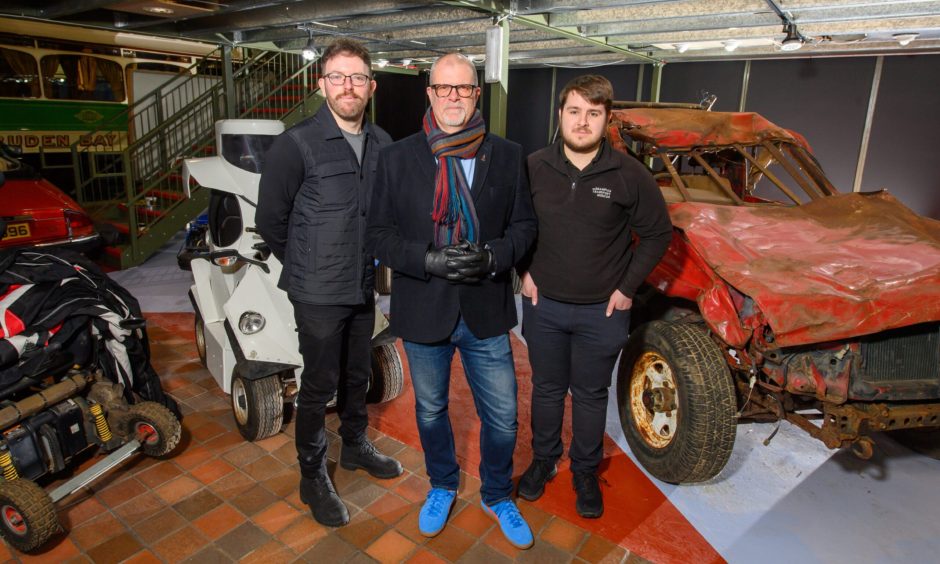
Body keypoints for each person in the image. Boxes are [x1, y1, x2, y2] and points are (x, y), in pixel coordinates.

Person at [367, 53, 537, 549]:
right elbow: (378, 234)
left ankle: (497, 492)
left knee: (503, 415)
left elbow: (525, 226)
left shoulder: (506, 155)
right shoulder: (398, 158)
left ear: (477, 94)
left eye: (463, 88)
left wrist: (493, 257)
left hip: (485, 309)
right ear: (430, 93)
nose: (453, 98)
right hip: (424, 308)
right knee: (431, 411)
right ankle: (442, 484)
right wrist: (428, 260)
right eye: (444, 89)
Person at [256, 38, 402, 528]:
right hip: (317, 291)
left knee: (358, 374)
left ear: (371, 86)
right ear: (322, 84)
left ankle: (356, 445)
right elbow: (272, 222)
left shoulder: (383, 143)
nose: (348, 86)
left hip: (363, 285)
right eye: (338, 77)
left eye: (357, 77)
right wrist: (308, 266)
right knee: (319, 385)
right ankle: (312, 474)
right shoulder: (295, 144)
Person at [517, 75, 672, 518]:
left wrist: (627, 289)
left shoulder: (629, 175)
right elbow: (512, 227)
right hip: (542, 307)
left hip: (601, 312)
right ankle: (544, 460)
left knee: (589, 394)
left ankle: (585, 470)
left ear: (606, 120)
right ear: (561, 115)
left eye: (593, 113)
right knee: (546, 390)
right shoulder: (533, 167)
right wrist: (522, 272)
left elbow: (659, 234)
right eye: (575, 111)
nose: (582, 122)